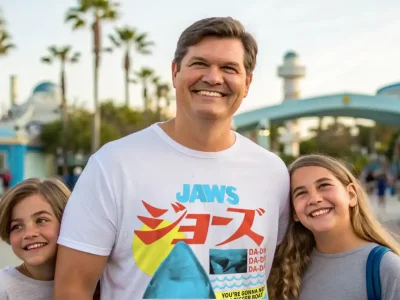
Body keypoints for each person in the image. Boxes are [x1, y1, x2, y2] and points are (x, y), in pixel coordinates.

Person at [54, 17, 290, 300]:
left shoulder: (272, 171)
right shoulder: (114, 164)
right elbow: (73, 287)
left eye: (229, 68)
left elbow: (280, 270)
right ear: (175, 72)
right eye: (200, 63)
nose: (214, 78)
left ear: (247, 83)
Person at [268, 154, 400, 300]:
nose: (314, 199)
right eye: (301, 193)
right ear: (294, 213)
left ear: (351, 194)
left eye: (324, 185)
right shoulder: (285, 270)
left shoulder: (386, 267)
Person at [0, 178, 70, 300]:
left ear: (66, 221)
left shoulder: (98, 280)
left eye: (41, 220)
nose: (29, 234)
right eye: (17, 226)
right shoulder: (3, 287)